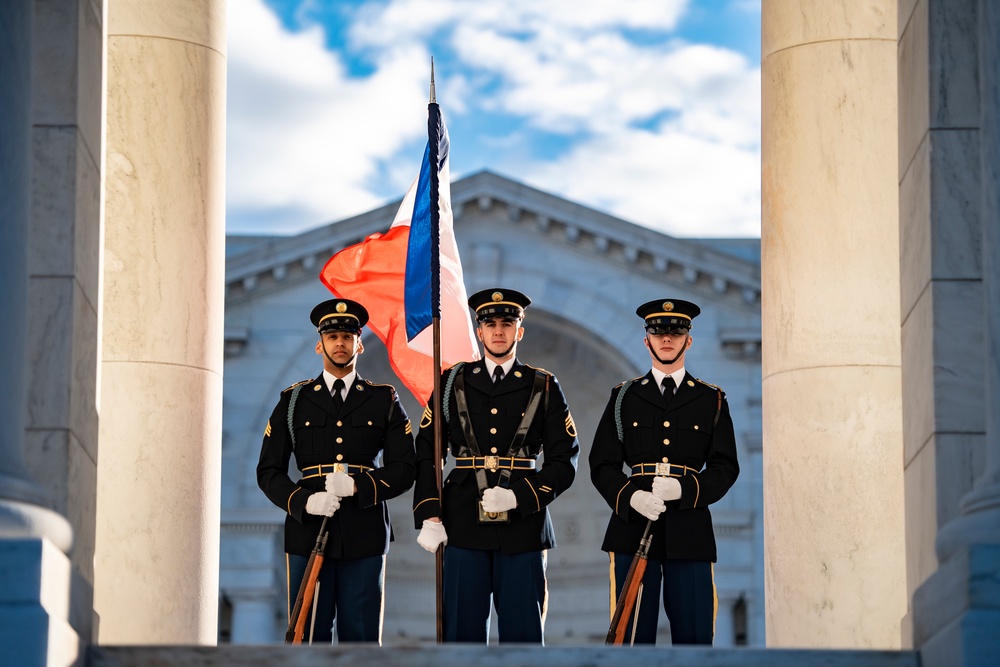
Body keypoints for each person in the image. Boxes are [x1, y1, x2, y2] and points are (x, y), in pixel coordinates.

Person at [412, 288, 580, 644]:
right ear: (479, 331)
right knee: (461, 637)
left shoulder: (544, 386)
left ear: (520, 331)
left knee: (523, 638)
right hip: (461, 522)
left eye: (508, 323)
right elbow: (428, 451)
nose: (499, 331)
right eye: (490, 324)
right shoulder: (450, 383)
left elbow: (565, 460)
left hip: (523, 526)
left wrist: (520, 496)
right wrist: (430, 512)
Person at [256, 298, 415, 644]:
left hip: (365, 528)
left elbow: (405, 468)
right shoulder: (293, 400)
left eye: (347, 336)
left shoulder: (383, 399)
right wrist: (304, 501)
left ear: (359, 343)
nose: (340, 343)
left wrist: (358, 486)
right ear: (319, 344)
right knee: (308, 635)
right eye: (332, 336)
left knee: (361, 638)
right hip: (308, 529)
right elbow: (268, 471)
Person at [590, 298, 739, 645]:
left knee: (695, 639)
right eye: (658, 332)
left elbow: (725, 467)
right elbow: (602, 464)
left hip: (690, 531)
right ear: (647, 341)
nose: (667, 339)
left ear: (689, 340)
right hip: (632, 528)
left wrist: (684, 490)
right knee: (631, 640)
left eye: (676, 332)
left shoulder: (711, 400)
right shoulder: (623, 397)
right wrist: (632, 497)